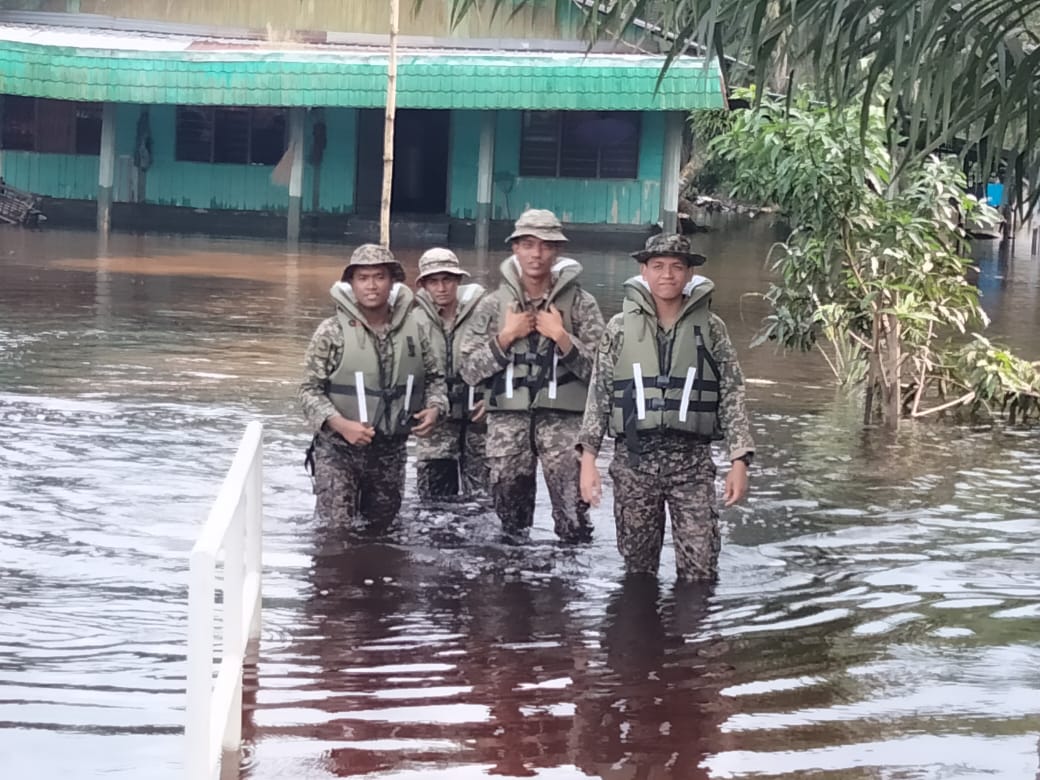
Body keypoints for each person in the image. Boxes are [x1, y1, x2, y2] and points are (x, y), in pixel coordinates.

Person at [578, 233, 755, 581]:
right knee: (638, 573)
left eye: (677, 267)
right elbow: (599, 394)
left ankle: (694, 631)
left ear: (690, 274)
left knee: (701, 571)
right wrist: (588, 460)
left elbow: (732, 392)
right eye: (658, 266)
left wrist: (739, 460)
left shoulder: (712, 329)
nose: (667, 275)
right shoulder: (618, 328)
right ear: (644, 271)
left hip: (691, 463)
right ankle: (642, 636)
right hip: (634, 462)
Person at [459, 209, 605, 542]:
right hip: (508, 424)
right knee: (511, 526)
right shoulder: (494, 305)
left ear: (557, 251)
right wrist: (505, 337)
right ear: (515, 249)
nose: (536, 254)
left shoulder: (582, 304)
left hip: (564, 424)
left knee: (574, 523)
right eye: (528, 244)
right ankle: (517, 587)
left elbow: (602, 373)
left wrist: (563, 338)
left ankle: (568, 587)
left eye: (545, 245)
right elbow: (468, 371)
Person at [298, 243, 448, 530]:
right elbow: (308, 390)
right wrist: (340, 424)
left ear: (392, 281)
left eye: (379, 277)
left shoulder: (415, 330)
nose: (371, 286)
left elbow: (434, 379)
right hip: (338, 451)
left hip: (390, 452)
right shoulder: (332, 331)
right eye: (363, 278)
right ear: (351, 284)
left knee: (383, 532)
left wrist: (435, 409)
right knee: (335, 533)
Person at [411, 247, 490, 500]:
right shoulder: (411, 321)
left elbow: (507, 362)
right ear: (423, 284)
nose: (441, 287)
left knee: (482, 504)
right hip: (435, 427)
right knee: (434, 508)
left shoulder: (485, 316)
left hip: (479, 423)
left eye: (447, 280)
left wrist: (493, 399)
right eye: (433, 281)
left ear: (458, 280)